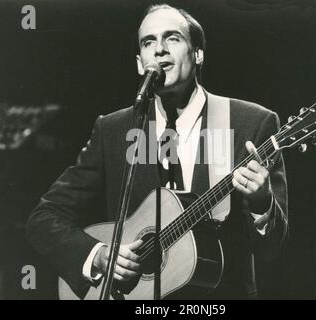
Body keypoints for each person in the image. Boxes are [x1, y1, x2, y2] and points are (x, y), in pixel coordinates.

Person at [25, 4, 288, 299]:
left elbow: (272, 248)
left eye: (172, 38)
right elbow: (44, 217)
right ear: (141, 63)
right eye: (149, 42)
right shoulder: (115, 130)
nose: (159, 50)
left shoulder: (248, 123)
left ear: (198, 54)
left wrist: (261, 202)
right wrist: (98, 255)